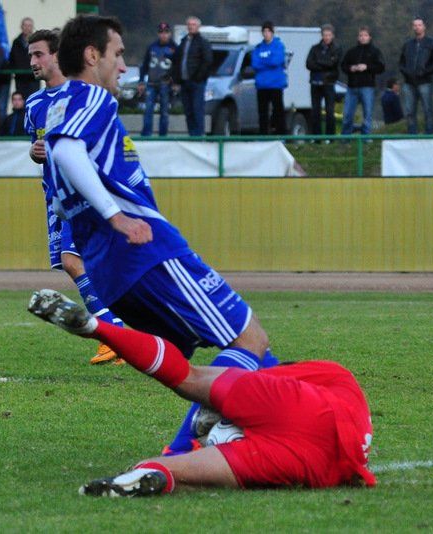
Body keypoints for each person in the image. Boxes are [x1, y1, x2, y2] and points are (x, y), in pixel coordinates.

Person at [41, 15, 280, 456]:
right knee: (250, 339)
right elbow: (70, 153)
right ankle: (185, 448)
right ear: (92, 56)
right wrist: (116, 216)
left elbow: (58, 197)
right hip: (146, 252)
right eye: (117, 54)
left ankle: (273, 420)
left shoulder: (57, 108)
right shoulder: (91, 97)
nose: (123, 66)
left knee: (204, 362)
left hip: (109, 270)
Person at [28, 290, 376, 496]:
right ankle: (151, 473)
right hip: (320, 464)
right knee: (177, 470)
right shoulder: (336, 388)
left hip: (304, 411)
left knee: (187, 376)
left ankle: (96, 328)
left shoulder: (325, 379)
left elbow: (255, 374)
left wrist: (222, 401)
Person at [24, 28, 123, 365]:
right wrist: (35, 153)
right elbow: (39, 148)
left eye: (39, 54)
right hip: (54, 195)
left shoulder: (82, 96)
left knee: (72, 261)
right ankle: (120, 333)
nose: (33, 61)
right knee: (78, 263)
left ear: (57, 55)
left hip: (81, 194)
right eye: (30, 55)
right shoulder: (34, 104)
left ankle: (113, 335)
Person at [399, 17, 433, 134]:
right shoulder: (408, 44)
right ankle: (412, 135)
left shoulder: (432, 43)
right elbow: (401, 62)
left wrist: (425, 72)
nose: (417, 27)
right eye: (415, 25)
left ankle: (429, 134)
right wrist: (406, 72)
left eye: (419, 25)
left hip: (425, 81)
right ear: (412, 27)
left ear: (424, 26)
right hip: (409, 82)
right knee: (409, 111)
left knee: (428, 109)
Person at [341, 26, 385, 136]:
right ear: (358, 37)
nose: (363, 38)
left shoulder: (375, 52)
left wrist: (367, 67)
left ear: (370, 37)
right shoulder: (351, 52)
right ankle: (345, 138)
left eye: (365, 35)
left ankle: (366, 138)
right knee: (347, 114)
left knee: (367, 114)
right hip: (352, 87)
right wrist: (351, 68)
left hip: (367, 87)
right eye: (361, 35)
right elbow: (343, 66)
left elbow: (381, 67)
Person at [172, 16, 212, 136]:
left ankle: (199, 136)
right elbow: (177, 61)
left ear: (198, 27)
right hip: (184, 82)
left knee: (197, 109)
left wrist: (199, 77)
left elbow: (207, 61)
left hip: (197, 83)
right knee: (188, 111)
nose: (191, 27)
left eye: (193, 24)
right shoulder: (183, 42)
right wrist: (176, 80)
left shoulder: (203, 42)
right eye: (189, 24)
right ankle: (192, 135)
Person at [138, 22, 176, 137]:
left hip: (166, 83)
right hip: (151, 82)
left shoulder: (174, 47)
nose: (163, 35)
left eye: (166, 32)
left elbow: (177, 66)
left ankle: (163, 135)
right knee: (148, 109)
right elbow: (145, 65)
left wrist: (175, 82)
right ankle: (146, 134)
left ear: (170, 33)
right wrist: (141, 81)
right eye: (161, 32)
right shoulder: (152, 47)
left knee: (164, 111)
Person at [306, 24, 341, 136]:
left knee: (330, 111)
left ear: (332, 36)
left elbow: (332, 63)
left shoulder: (336, 49)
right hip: (315, 83)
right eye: (325, 35)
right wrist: (324, 63)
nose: (327, 37)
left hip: (328, 83)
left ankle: (330, 137)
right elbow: (309, 64)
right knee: (315, 111)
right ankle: (317, 137)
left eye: (329, 35)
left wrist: (318, 62)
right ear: (322, 35)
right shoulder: (314, 48)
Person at [252, 21, 287, 135]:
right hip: (262, 85)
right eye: (264, 31)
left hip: (275, 84)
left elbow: (276, 61)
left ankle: (281, 135)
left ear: (272, 32)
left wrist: (264, 62)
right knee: (262, 113)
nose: (266, 34)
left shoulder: (279, 46)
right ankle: (263, 136)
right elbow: (255, 64)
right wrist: (268, 62)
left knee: (278, 111)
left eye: (268, 31)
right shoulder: (258, 48)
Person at [9, 17, 40, 99]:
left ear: (32, 27)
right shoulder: (16, 42)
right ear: (21, 27)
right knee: (21, 101)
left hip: (33, 78)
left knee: (34, 99)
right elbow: (12, 58)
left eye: (29, 25)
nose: (27, 28)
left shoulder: (37, 42)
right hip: (20, 78)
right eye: (25, 25)